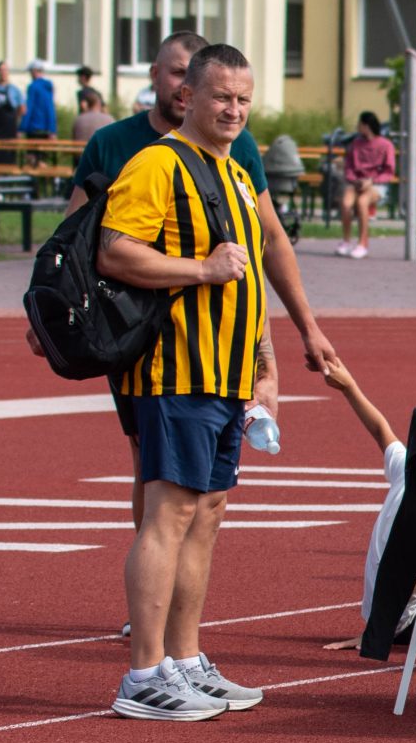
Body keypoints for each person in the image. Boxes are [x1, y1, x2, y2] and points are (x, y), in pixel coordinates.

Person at [97, 44, 316, 721]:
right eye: (221, 96)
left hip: (227, 375)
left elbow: (248, 275)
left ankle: (185, 659)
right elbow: (114, 250)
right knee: (169, 513)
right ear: (186, 96)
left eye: (244, 99)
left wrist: (265, 362)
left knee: (207, 513)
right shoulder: (157, 164)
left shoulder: (236, 173)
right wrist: (200, 269)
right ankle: (143, 673)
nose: (234, 110)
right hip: (176, 368)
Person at [52, 31, 316, 556]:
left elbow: (263, 242)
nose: (232, 108)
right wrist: (54, 316)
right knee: (158, 480)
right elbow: (76, 241)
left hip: (222, 353)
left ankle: (170, 596)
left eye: (242, 98)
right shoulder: (125, 147)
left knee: (203, 501)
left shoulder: (236, 156)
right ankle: (152, 592)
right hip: (150, 340)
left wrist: (293, 338)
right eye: (177, 73)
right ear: (168, 80)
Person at [336, 110, 396, 260]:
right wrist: (355, 180)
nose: (357, 126)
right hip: (357, 183)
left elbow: (389, 171)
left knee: (362, 202)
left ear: (366, 125)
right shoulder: (355, 144)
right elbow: (349, 167)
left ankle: (363, 244)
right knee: (346, 203)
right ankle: (346, 241)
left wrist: (371, 181)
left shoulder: (386, 145)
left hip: (376, 185)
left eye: (360, 124)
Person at [19, 58, 59, 146]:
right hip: (46, 129)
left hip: (33, 128)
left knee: (32, 153)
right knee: (43, 153)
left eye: (30, 72)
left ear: (34, 71)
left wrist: (22, 128)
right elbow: (51, 109)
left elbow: (29, 108)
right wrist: (53, 130)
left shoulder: (33, 87)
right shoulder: (48, 87)